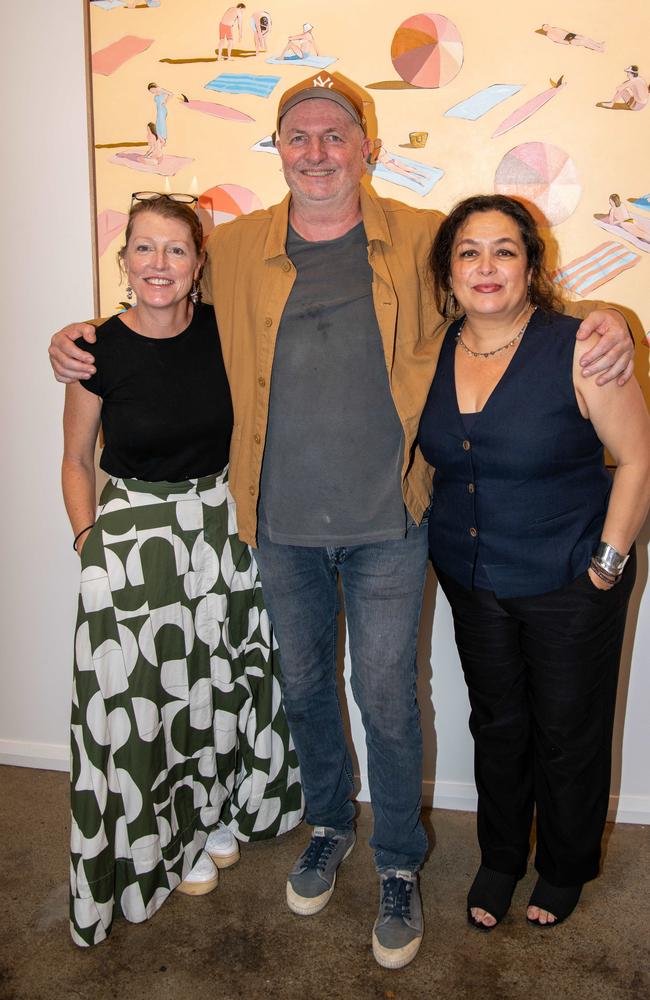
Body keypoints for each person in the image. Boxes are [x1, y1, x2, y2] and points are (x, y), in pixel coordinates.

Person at [49, 74, 634, 969]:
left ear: (367, 146)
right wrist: (82, 335)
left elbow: (506, 297)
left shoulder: (423, 240)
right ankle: (329, 821)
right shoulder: (237, 247)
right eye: (299, 137)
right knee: (306, 689)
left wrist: (609, 323)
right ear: (278, 150)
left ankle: (398, 861)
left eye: (334, 135)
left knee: (388, 702)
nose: (316, 151)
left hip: (389, 523)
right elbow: (162, 307)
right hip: (277, 523)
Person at [62, 192, 301, 946]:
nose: (158, 264)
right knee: (148, 699)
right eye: (143, 248)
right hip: (135, 544)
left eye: (175, 250)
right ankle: (160, 839)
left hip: (221, 530)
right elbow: (74, 461)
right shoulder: (94, 348)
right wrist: (85, 544)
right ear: (123, 259)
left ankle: (216, 812)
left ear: (199, 264)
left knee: (220, 679)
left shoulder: (224, 333)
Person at [418, 194, 650, 931]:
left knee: (568, 728)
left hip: (571, 576)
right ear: (448, 270)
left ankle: (563, 866)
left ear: (531, 265)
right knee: (498, 722)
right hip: (472, 576)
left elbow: (641, 460)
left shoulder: (582, 344)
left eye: (505, 250)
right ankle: (500, 858)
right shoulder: (430, 351)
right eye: (468, 252)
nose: (486, 267)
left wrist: (607, 564)